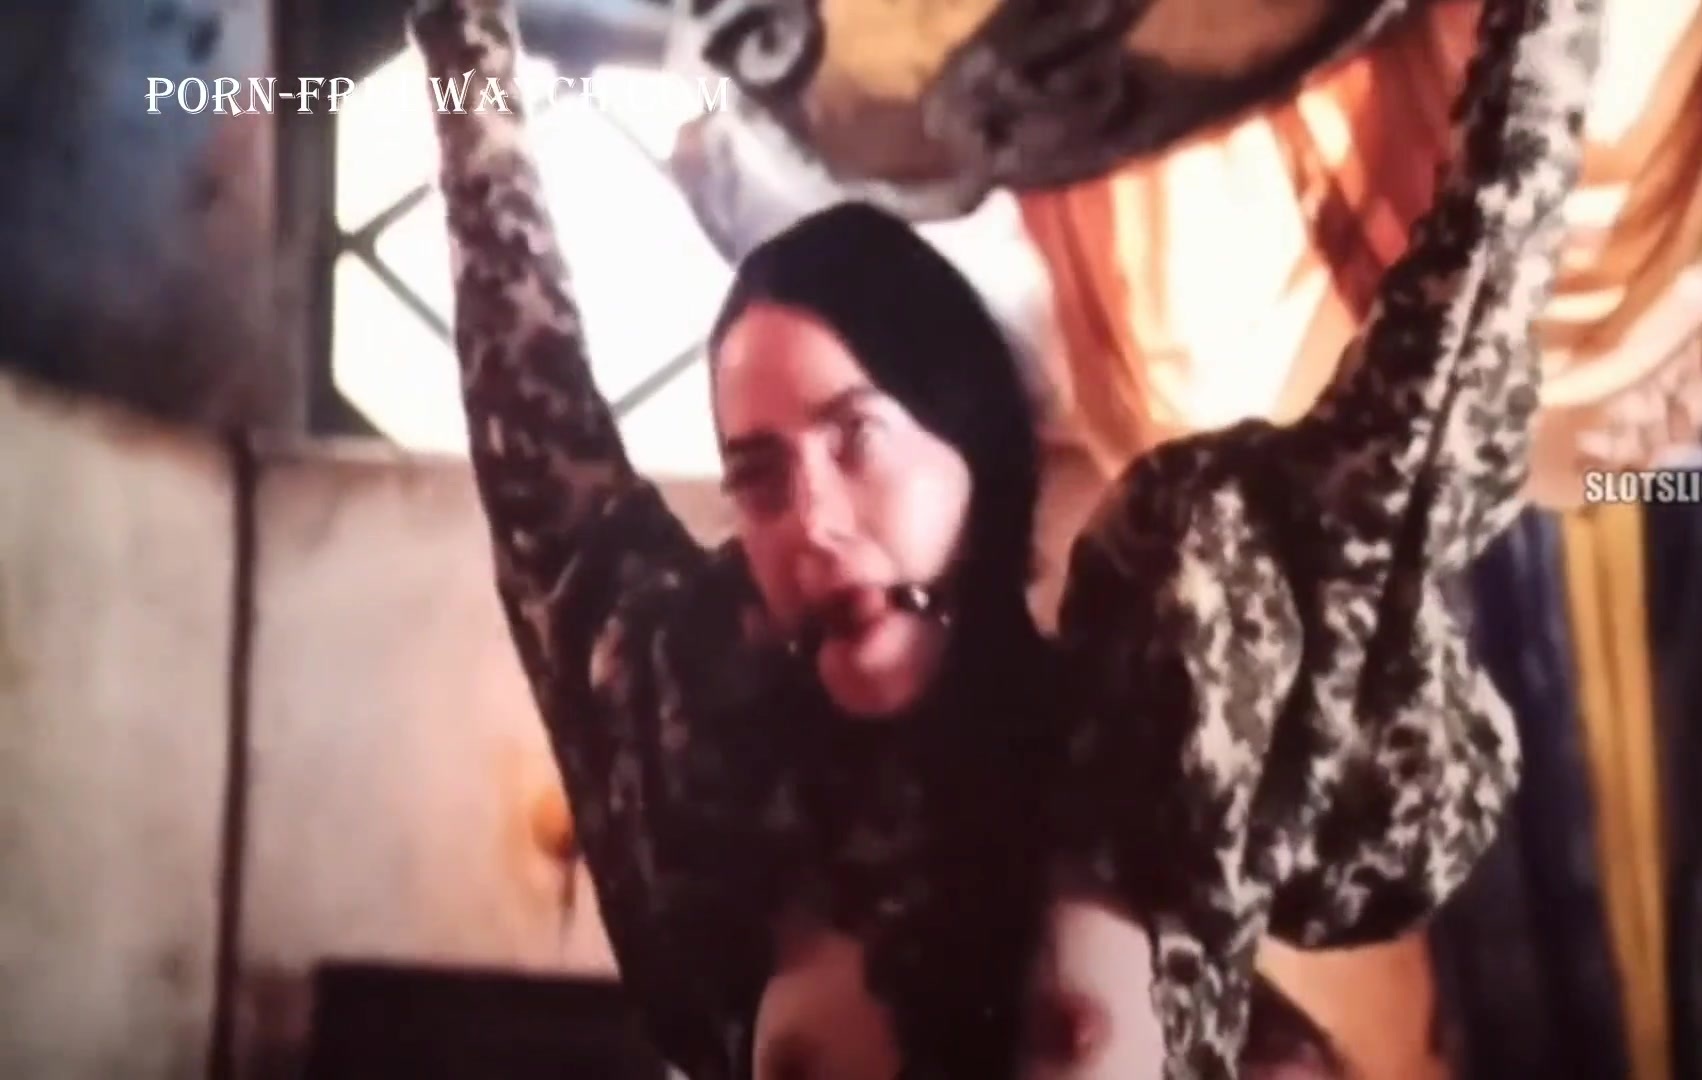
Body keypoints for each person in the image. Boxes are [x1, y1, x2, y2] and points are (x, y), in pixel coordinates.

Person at [403, 0, 1601, 1075]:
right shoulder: (721, 805)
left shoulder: (1157, 743)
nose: (812, 523)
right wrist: (462, 35)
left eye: (856, 438)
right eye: (757, 477)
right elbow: (527, 403)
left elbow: (1441, 370)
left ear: (973, 454)